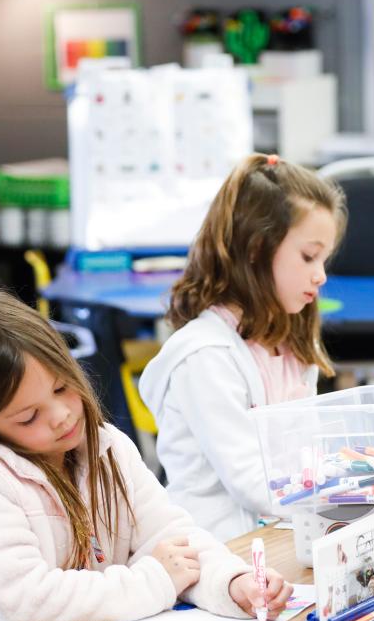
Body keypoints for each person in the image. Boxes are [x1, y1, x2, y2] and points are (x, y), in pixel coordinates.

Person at [0, 286, 292, 621]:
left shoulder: (106, 447)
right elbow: (24, 601)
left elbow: (171, 539)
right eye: (29, 416)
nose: (61, 417)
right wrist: (154, 581)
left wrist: (232, 583)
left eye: (61, 389)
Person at [140, 153, 346, 540]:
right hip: (218, 556)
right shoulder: (205, 357)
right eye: (308, 256)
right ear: (255, 249)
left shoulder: (293, 344)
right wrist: (351, 495)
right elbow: (253, 483)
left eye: (324, 260)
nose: (320, 276)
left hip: (281, 541)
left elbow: (308, 461)